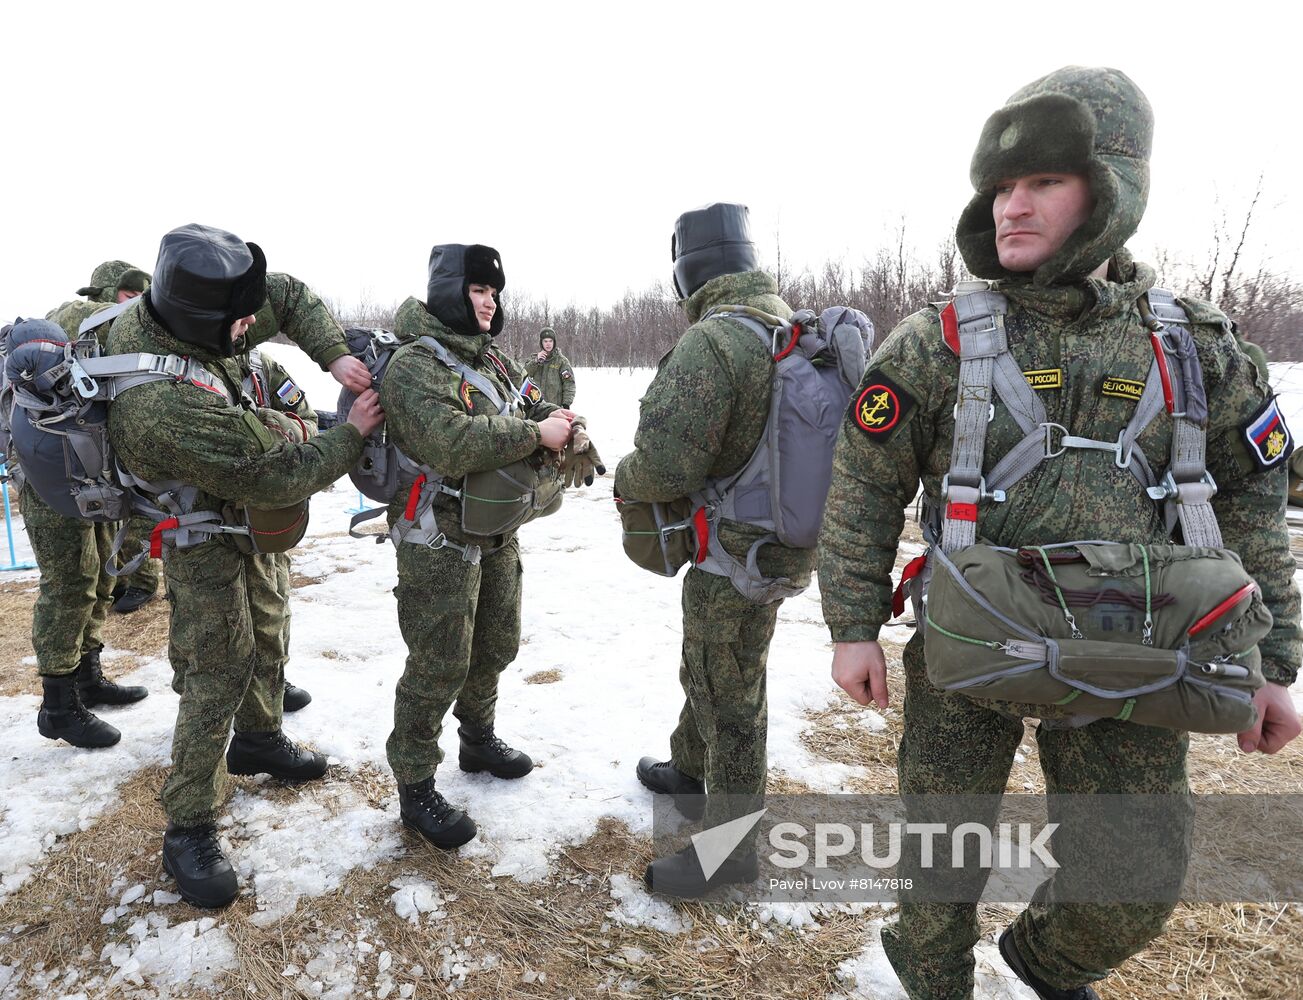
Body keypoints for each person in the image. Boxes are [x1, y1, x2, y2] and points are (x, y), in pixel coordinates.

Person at [818, 67, 1302, 999]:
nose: (1011, 207)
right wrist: (850, 627)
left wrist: (1273, 662)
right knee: (938, 869)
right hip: (967, 648)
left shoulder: (1194, 347)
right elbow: (865, 486)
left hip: (1135, 653)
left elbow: (1249, 503)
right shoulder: (935, 341)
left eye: (1041, 181)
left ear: (1111, 189)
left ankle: (1041, 961)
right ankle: (931, 977)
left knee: (1133, 883)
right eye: (1001, 187)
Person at [106, 223, 382, 908]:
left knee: (269, 622)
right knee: (216, 668)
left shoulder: (197, 320)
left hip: (236, 506)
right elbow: (282, 474)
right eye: (240, 323)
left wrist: (332, 356)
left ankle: (258, 740)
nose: (252, 327)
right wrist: (352, 432)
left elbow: (282, 295)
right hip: (198, 528)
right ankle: (189, 825)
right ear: (202, 323)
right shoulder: (159, 406)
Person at [616, 203, 814, 898]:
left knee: (729, 695)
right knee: (717, 669)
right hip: (778, 547)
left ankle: (730, 851)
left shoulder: (716, 341)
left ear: (687, 271)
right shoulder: (785, 326)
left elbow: (665, 466)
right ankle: (686, 768)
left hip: (730, 557)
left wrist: (624, 476)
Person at [379, 243, 577, 851]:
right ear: (448, 293)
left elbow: (533, 403)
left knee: (495, 643)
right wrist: (533, 434)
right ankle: (415, 785)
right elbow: (451, 442)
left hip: (495, 531)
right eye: (477, 291)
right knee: (438, 662)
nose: (490, 303)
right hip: (436, 538)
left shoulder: (492, 361)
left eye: (495, 293)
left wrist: (564, 423)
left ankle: (477, 737)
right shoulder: (415, 364)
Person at [26, 262, 154, 749]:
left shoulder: (106, 334)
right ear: (116, 293)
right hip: (52, 479)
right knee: (69, 583)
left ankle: (88, 677)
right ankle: (57, 706)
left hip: (89, 475)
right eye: (131, 299)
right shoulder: (77, 314)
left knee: (101, 575)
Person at [48, 261, 162, 615]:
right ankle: (126, 580)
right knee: (110, 514)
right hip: (89, 441)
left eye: (144, 296)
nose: (138, 303)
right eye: (130, 295)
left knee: (133, 511)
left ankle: (142, 581)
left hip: (117, 437)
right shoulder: (81, 316)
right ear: (106, 293)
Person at [524, 326, 576, 407]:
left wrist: (566, 404)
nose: (548, 344)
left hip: (555, 407)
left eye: (550, 341)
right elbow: (524, 375)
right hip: (537, 407)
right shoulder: (534, 359)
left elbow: (569, 384)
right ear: (541, 343)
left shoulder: (561, 361)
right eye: (545, 341)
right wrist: (536, 361)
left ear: (554, 342)